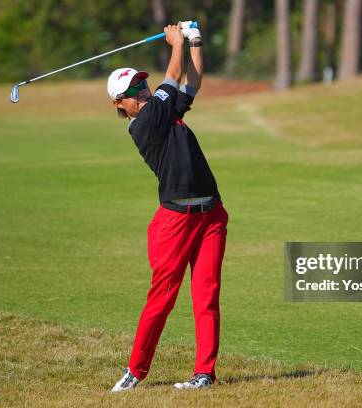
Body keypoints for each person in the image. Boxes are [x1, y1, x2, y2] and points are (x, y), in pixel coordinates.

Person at [107, 23, 229, 391]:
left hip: (211, 215)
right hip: (175, 221)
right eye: (132, 90)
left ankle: (204, 373)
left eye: (142, 84)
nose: (141, 91)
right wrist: (175, 42)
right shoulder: (143, 123)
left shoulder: (160, 108)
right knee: (162, 297)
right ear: (120, 104)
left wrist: (193, 40)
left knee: (206, 296)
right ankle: (136, 369)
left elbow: (191, 82)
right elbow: (173, 74)